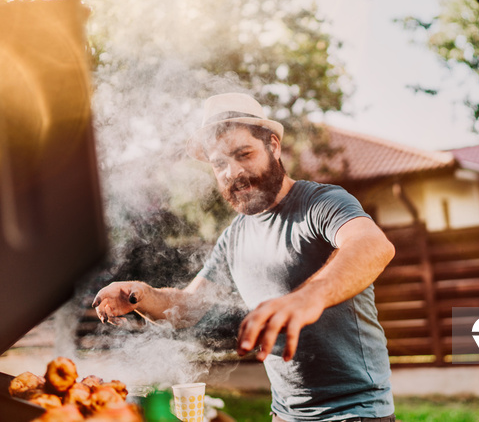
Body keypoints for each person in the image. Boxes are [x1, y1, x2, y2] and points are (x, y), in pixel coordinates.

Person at [92, 93, 396, 422]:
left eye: (244, 154)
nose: (232, 172)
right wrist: (139, 295)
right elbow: (188, 309)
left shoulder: (320, 203)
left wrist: (309, 297)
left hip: (354, 414)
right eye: (219, 163)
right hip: (283, 415)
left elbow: (372, 245)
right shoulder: (233, 238)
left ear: (273, 146)